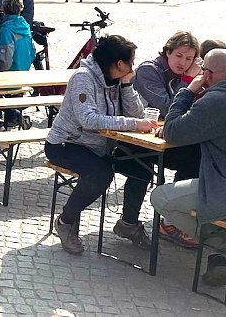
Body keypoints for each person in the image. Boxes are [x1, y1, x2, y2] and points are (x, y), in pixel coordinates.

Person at [150, 49, 226, 284]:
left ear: (207, 74)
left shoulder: (218, 100)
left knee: (161, 198)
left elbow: (172, 131)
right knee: (206, 190)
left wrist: (188, 91)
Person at [44, 35, 158, 255]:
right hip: (66, 143)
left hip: (101, 147)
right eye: (130, 63)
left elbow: (137, 113)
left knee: (141, 168)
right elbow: (89, 120)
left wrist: (126, 86)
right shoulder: (83, 78)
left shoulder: (116, 79)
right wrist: (134, 124)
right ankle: (66, 221)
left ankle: (128, 224)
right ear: (118, 64)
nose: (132, 67)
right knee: (101, 175)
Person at [133, 31, 204, 248]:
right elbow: (168, 107)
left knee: (199, 155)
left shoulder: (191, 73)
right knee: (140, 167)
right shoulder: (149, 70)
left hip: (170, 138)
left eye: (189, 58)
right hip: (136, 139)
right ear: (167, 52)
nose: (183, 62)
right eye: (179, 56)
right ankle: (146, 221)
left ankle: (176, 219)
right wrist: (189, 82)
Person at [0, 0, 37, 129]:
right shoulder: (25, 26)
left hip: (10, 75)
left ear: (3, 9)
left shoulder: (6, 29)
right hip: (23, 72)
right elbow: (33, 51)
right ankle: (14, 116)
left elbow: (4, 59)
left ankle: (8, 117)